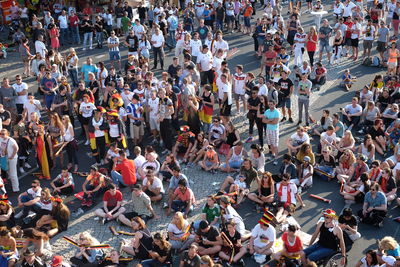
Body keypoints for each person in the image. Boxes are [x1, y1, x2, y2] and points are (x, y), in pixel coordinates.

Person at [263, 100, 280, 165]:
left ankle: (276, 158)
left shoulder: (277, 112)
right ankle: (273, 154)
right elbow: (263, 120)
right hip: (268, 130)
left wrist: (267, 120)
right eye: (269, 104)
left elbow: (275, 122)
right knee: (270, 144)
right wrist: (270, 120)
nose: (270, 106)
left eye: (271, 104)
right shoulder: (267, 111)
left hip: (274, 130)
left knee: (275, 145)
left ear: (274, 104)